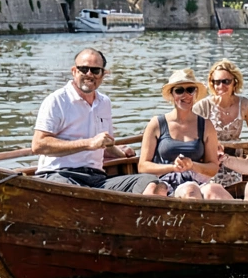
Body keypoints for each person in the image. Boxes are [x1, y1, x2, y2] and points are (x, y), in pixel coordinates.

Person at [31, 48, 165, 195]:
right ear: (74, 71)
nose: (89, 74)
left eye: (95, 70)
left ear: (103, 74)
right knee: (77, 193)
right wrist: (89, 143)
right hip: (59, 175)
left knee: (153, 184)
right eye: (84, 69)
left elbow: (103, 145)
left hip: (96, 178)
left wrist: (118, 152)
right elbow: (38, 145)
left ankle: (138, 218)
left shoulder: (104, 102)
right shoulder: (57, 100)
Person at [139, 69, 231, 199]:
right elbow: (143, 166)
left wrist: (191, 165)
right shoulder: (156, 124)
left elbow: (213, 168)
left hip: (197, 181)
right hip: (164, 181)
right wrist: (173, 167)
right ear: (172, 94)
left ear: (195, 93)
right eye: (179, 90)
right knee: (155, 190)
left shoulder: (206, 125)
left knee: (202, 190)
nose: (185, 95)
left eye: (190, 90)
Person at [193, 59, 248, 189]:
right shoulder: (203, 106)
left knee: (234, 189)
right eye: (217, 82)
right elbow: (189, 136)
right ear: (212, 84)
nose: (221, 86)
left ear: (234, 82)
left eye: (226, 81)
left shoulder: (244, 105)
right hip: (210, 159)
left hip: (234, 159)